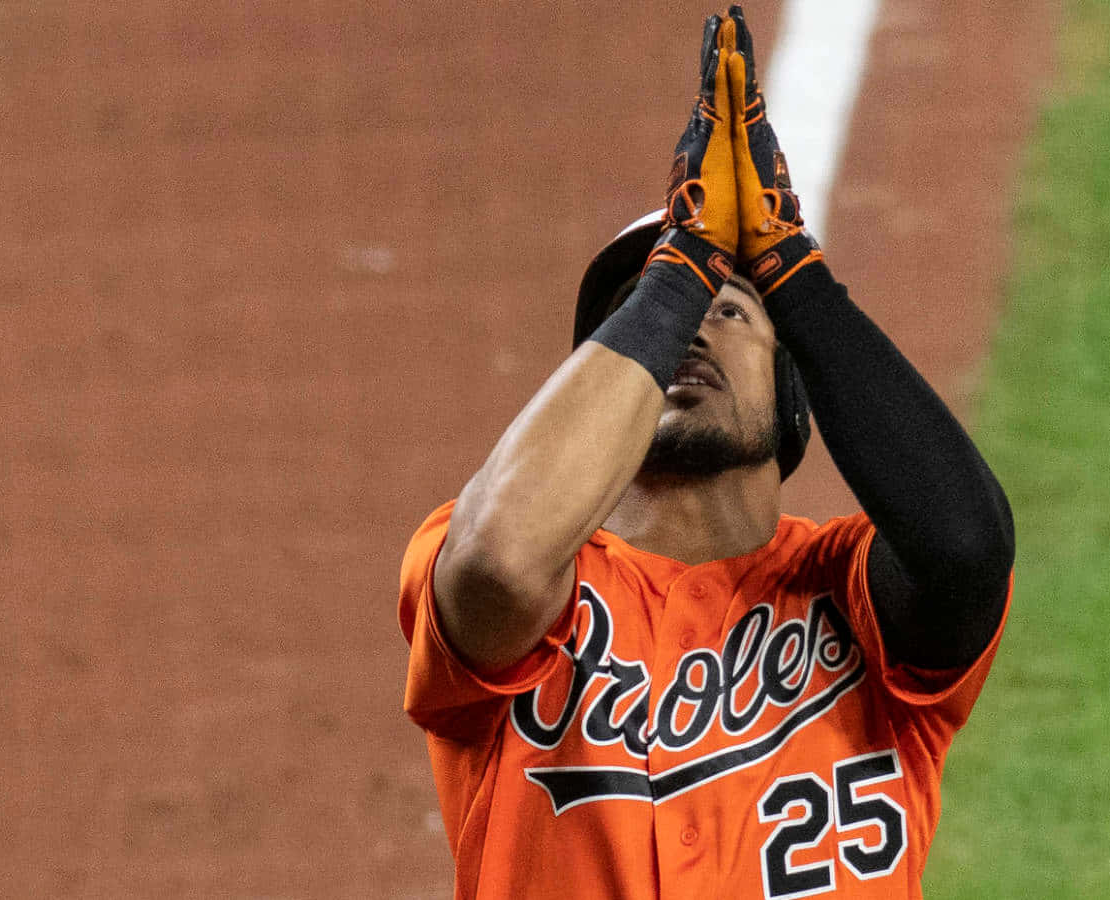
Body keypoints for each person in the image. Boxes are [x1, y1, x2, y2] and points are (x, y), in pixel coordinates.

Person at [398, 8, 1014, 898]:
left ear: (794, 392)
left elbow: (967, 549)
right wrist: (683, 264)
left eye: (729, 311)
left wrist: (791, 269)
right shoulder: (500, 567)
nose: (687, 329)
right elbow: (497, 568)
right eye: (647, 320)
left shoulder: (852, 594)